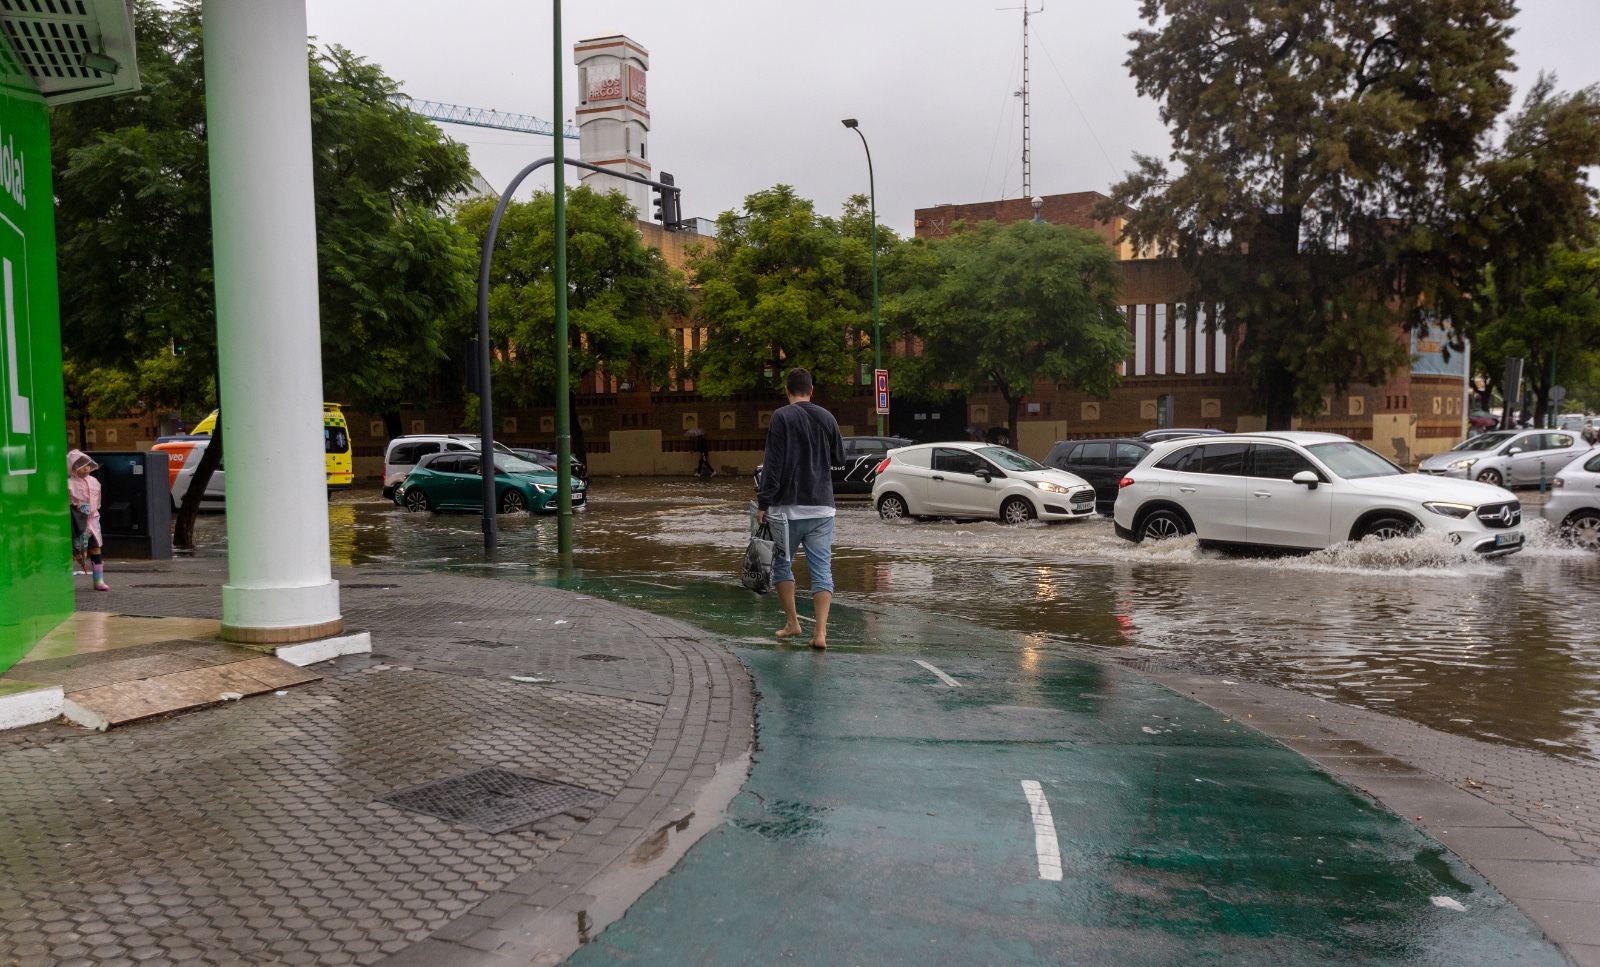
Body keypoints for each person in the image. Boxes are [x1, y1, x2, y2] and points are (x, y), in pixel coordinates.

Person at [756, 368, 845, 649]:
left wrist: (763, 503)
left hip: (787, 509)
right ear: (811, 390)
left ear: (787, 390)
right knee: (822, 570)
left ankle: (793, 623)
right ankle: (820, 634)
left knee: (782, 564)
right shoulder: (827, 417)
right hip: (822, 508)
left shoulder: (781, 417)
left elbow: (772, 465)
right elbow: (839, 458)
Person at [67, 449, 109, 591]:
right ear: (73, 468)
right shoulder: (69, 484)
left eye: (87, 465)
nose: (86, 468)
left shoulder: (94, 481)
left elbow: (98, 501)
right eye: (81, 465)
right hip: (77, 521)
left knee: (95, 548)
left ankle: (99, 581)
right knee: (76, 549)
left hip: (93, 520)